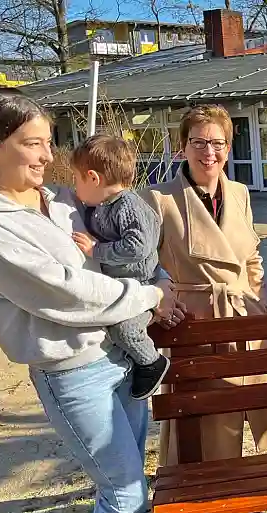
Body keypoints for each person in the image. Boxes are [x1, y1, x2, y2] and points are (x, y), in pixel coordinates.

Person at [0, 88, 182, 513]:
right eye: (31, 144)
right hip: (73, 373)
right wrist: (150, 298)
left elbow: (121, 247)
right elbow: (67, 292)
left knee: (128, 487)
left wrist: (157, 277)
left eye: (48, 142)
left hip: (119, 356)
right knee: (124, 494)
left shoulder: (57, 200)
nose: (45, 155)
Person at [141, 104, 267, 513]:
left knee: (241, 403)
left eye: (218, 143)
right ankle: (200, 496)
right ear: (182, 146)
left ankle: (236, 487)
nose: (209, 152)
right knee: (206, 415)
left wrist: (259, 302)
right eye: (198, 142)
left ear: (229, 147)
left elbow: (250, 256)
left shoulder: (241, 193)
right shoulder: (159, 198)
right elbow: (143, 262)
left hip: (242, 312)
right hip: (197, 319)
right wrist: (162, 301)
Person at [70, 134, 170, 400]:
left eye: (76, 180)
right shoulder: (102, 204)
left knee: (124, 329)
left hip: (144, 284)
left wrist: (96, 251)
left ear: (93, 178)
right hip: (129, 284)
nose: (74, 187)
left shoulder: (128, 206)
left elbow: (138, 246)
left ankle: (151, 362)